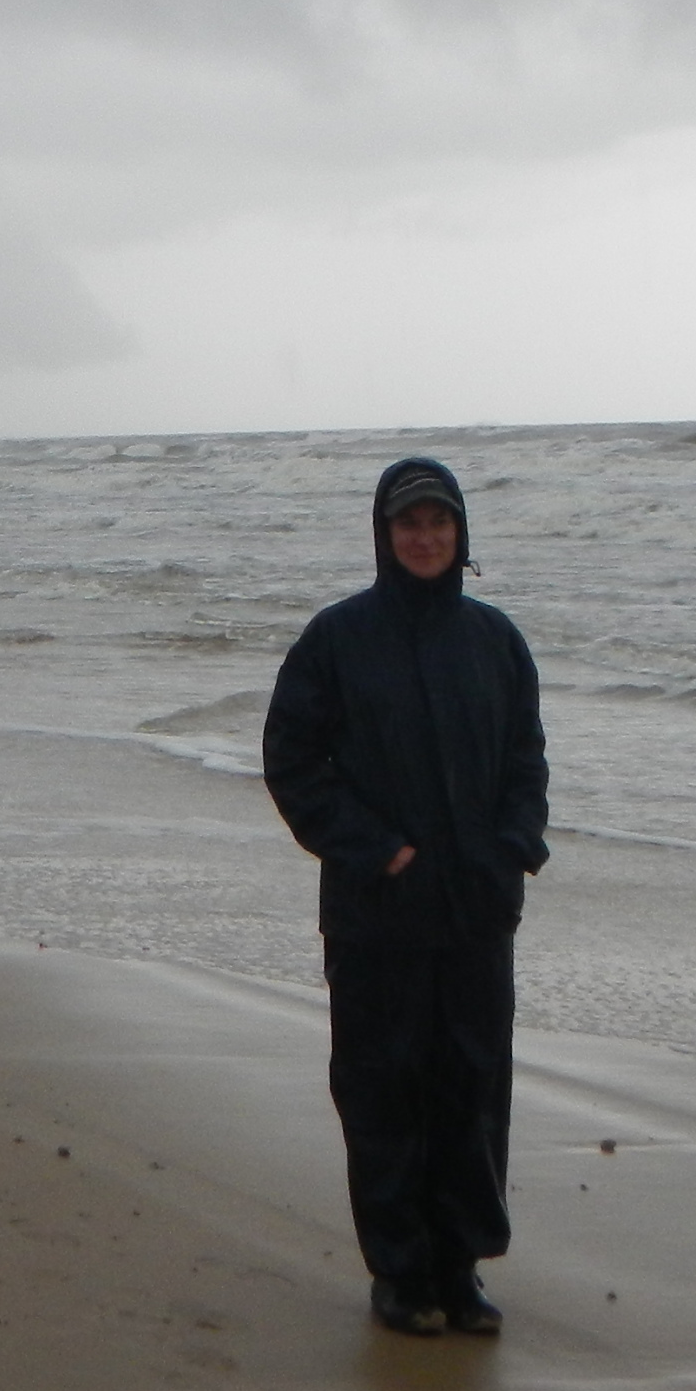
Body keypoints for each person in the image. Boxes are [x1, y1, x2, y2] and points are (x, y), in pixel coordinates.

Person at [261, 454, 548, 1338]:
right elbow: (293, 763)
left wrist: (512, 849)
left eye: (439, 522)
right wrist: (378, 850)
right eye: (408, 524)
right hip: (376, 912)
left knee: (471, 1084)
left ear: (461, 532)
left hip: (476, 911)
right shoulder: (337, 639)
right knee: (383, 1085)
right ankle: (400, 1271)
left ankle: (459, 1268)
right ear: (384, 536)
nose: (425, 538)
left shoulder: (495, 641)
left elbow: (526, 761)